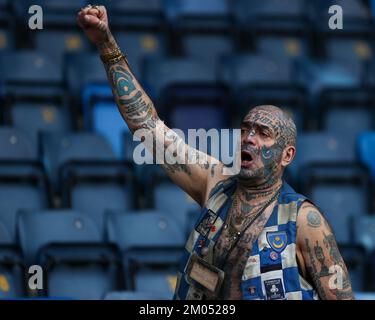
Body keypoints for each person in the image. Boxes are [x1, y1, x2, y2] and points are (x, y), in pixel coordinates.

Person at [77, 5, 354, 300]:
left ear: (287, 155)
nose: (249, 138)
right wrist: (106, 44)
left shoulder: (304, 221)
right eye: (246, 129)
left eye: (263, 134)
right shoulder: (214, 184)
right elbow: (147, 127)